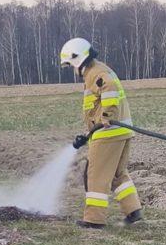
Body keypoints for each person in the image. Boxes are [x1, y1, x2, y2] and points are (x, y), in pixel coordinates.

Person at [60, 37, 143, 228]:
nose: (72, 70)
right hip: (120, 131)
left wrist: (106, 115)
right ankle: (133, 210)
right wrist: (89, 132)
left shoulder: (95, 72)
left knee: (95, 175)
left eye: (70, 64)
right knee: (117, 174)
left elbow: (110, 89)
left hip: (109, 133)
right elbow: (95, 108)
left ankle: (94, 219)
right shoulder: (98, 69)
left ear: (77, 59)